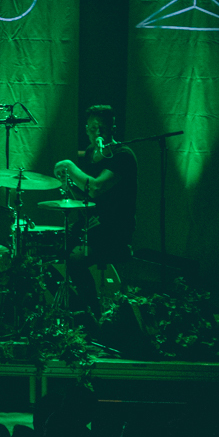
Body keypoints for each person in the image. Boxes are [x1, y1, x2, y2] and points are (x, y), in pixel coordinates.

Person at [53, 103, 138, 315]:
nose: (97, 133)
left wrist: (70, 168)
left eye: (102, 128)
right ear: (86, 129)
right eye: (92, 128)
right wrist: (69, 185)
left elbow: (97, 187)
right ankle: (77, 308)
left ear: (113, 128)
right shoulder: (90, 153)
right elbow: (86, 198)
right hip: (92, 226)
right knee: (46, 250)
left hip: (114, 231)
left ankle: (91, 313)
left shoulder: (123, 155)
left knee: (74, 260)